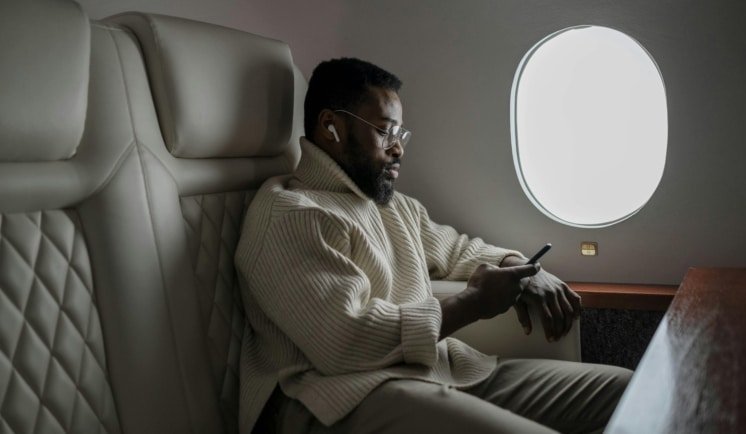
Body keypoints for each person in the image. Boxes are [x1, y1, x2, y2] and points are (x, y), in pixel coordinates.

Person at [235, 57, 631, 434]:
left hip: (431, 373)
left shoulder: (390, 205)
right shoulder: (291, 214)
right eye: (385, 132)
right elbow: (344, 343)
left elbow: (457, 251)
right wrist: (471, 303)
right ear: (330, 127)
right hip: (334, 400)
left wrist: (524, 270)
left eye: (401, 134)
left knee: (629, 393)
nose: (399, 149)